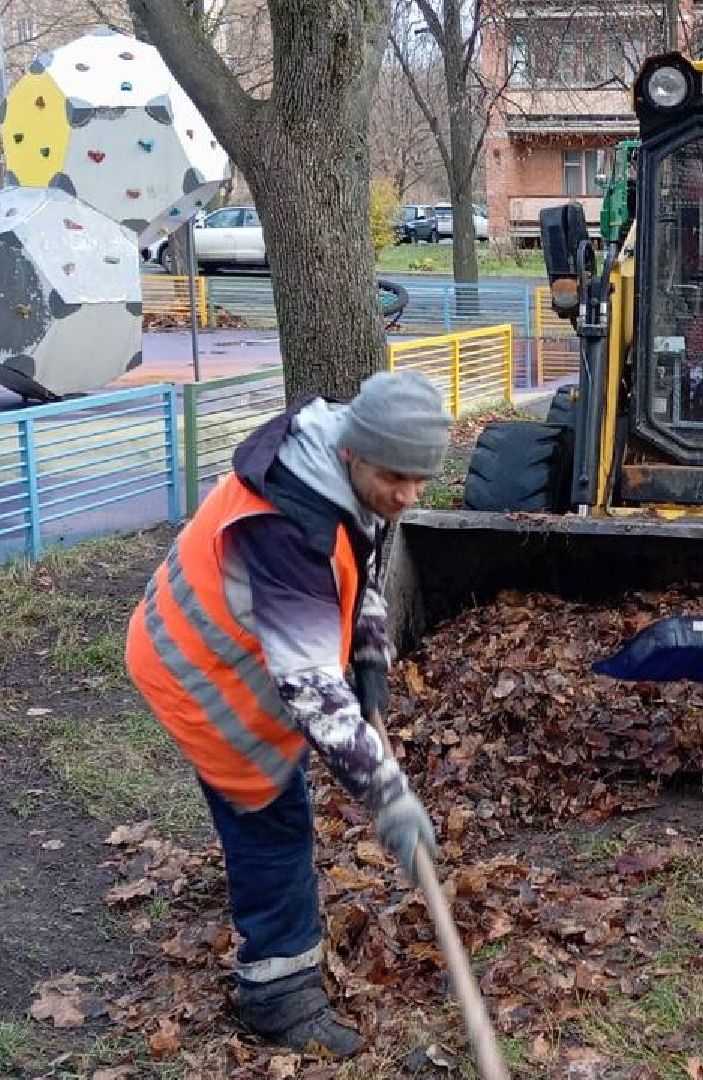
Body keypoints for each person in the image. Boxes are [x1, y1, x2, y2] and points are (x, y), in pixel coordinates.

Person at [125, 370, 453, 1053]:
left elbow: (359, 563)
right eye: (396, 478)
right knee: (271, 820)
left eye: (420, 480)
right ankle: (279, 996)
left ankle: (278, 964)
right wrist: (389, 797)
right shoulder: (289, 527)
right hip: (201, 672)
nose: (408, 495)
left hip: (244, 651)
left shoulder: (343, 468)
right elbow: (308, 687)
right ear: (354, 452)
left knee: (284, 797)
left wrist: (370, 659)